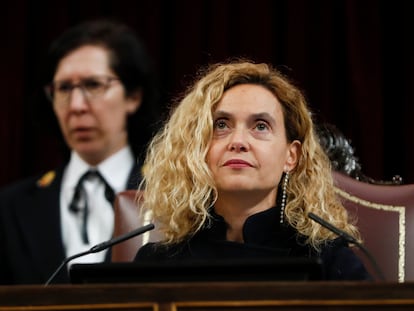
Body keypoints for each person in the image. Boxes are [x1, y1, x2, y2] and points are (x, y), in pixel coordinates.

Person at [134, 60, 371, 281]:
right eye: (221, 125)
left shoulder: (328, 261)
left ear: (291, 156)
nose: (238, 141)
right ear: (198, 148)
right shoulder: (157, 262)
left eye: (260, 126)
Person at [0, 19, 160, 284]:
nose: (76, 106)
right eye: (63, 88)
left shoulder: (171, 196)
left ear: (133, 97)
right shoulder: (10, 207)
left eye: (94, 85)